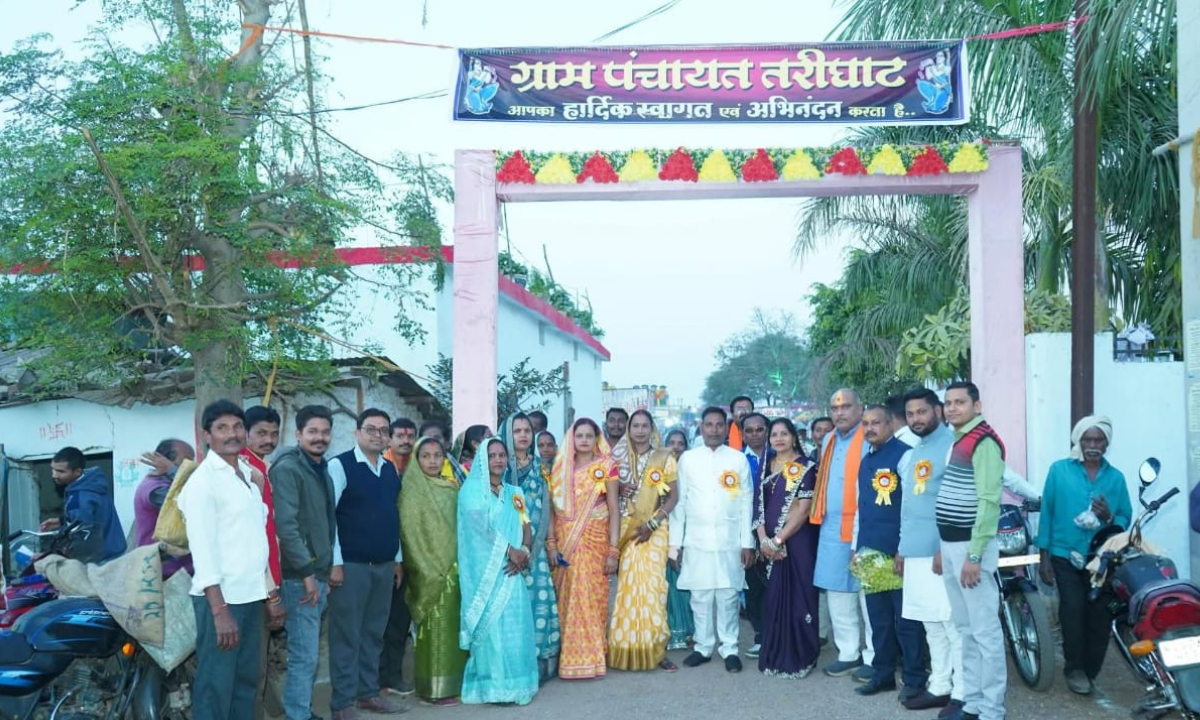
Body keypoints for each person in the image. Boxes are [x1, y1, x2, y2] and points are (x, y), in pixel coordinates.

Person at [178, 400, 283, 720]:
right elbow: (203, 550)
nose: (232, 434)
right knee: (215, 686)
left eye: (237, 426)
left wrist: (270, 594)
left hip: (251, 596)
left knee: (245, 683)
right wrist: (219, 611)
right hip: (221, 601)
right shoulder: (202, 482)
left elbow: (257, 541)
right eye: (221, 428)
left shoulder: (250, 479)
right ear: (206, 435)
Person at [1036, 415, 1131, 695]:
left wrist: (1109, 517)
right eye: (1087, 439)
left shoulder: (1115, 478)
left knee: (1100, 616)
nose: (1093, 445)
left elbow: (1125, 515)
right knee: (1073, 611)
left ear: (1106, 443)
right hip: (1065, 555)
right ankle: (1074, 668)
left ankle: (1090, 669)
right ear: (1078, 441)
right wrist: (1044, 557)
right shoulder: (1059, 471)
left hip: (1102, 559)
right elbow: (1048, 513)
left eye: (1098, 439)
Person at [326, 409, 405, 718]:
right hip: (351, 566)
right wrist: (334, 563)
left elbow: (392, 518)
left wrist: (397, 559)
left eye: (383, 430)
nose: (377, 434)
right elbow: (327, 518)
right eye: (370, 429)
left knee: (374, 632)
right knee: (347, 634)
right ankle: (342, 703)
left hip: (384, 565)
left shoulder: (389, 470)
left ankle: (368, 693)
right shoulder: (340, 466)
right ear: (356, 433)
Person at [936, 381, 1007, 720]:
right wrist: (942, 548)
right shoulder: (959, 440)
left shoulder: (985, 442)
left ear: (976, 406)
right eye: (948, 402)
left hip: (970, 549)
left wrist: (974, 556)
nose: (952, 408)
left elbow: (989, 501)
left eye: (960, 402)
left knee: (985, 632)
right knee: (965, 630)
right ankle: (974, 703)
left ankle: (993, 710)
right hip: (950, 545)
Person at [670, 407, 755, 674]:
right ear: (702, 427)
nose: (715, 429)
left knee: (728, 595)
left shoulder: (738, 459)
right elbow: (679, 504)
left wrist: (747, 543)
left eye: (720, 425)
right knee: (701, 596)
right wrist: (675, 545)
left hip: (729, 540)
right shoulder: (688, 459)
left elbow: (746, 502)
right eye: (709, 425)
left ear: (727, 428)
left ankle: (729, 648)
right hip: (696, 539)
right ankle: (703, 647)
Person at [853, 405, 928, 699]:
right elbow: (863, 507)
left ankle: (914, 680)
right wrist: (855, 548)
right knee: (879, 620)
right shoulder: (866, 458)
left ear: (890, 424)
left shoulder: (905, 454)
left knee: (906, 620)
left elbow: (913, 506)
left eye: (876, 423)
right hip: (870, 552)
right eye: (866, 424)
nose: (870, 428)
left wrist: (904, 549)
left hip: (897, 552)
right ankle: (883, 674)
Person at [457, 438, 539, 705]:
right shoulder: (472, 493)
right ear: (483, 459)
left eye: (502, 455)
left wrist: (525, 550)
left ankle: (516, 685)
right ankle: (493, 688)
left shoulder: (514, 492)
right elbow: (478, 532)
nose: (498, 460)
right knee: (493, 631)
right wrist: (509, 551)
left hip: (513, 572)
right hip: (487, 573)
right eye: (492, 455)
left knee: (514, 628)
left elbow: (525, 523)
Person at [897, 388, 963, 717]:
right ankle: (940, 686)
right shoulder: (914, 451)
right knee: (931, 624)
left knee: (952, 623)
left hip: (941, 551)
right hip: (915, 553)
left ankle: (964, 694)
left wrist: (943, 547)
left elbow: (957, 500)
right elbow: (910, 505)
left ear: (937, 410)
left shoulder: (952, 447)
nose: (916, 419)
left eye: (922, 412)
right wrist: (901, 549)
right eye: (910, 414)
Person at [270, 405, 336, 720]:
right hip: (299, 576)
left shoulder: (319, 468)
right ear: (298, 434)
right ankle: (298, 714)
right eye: (312, 431)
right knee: (304, 654)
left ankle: (301, 711)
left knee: (307, 653)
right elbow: (287, 526)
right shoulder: (288, 469)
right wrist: (309, 573)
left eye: (324, 432)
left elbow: (324, 523)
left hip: (316, 572)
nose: (319, 437)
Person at [548, 418, 620, 680]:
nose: (585, 440)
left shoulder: (607, 466)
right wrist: (551, 543)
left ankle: (592, 657)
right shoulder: (559, 468)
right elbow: (552, 511)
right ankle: (569, 658)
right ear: (572, 438)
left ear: (597, 438)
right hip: (565, 541)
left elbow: (613, 509)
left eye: (590, 435)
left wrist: (613, 550)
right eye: (580, 435)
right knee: (568, 599)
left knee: (592, 598)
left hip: (595, 541)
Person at [609, 410, 680, 672]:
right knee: (628, 588)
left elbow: (673, 497)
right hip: (627, 528)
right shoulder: (615, 458)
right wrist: (620, 488)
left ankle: (657, 650)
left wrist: (653, 522)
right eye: (635, 425)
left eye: (644, 426)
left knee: (653, 589)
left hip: (655, 528)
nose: (639, 430)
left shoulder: (664, 458)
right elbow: (605, 492)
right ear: (628, 429)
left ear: (652, 429)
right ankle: (626, 647)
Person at [810, 389, 873, 680]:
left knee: (867, 592)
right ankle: (848, 653)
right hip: (832, 526)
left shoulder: (870, 437)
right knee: (836, 591)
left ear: (860, 409)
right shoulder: (829, 439)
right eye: (834, 408)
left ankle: (874, 656)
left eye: (846, 406)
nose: (840, 413)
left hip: (865, 525)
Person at [400, 437, 468, 705]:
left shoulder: (451, 488)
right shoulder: (410, 490)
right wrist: (426, 568)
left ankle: (454, 684)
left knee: (454, 629)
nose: (432, 461)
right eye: (425, 456)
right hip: (427, 571)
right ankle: (434, 690)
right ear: (417, 459)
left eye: (437, 455)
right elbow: (410, 533)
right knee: (434, 631)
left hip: (455, 569)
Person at [754, 418, 820, 678]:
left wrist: (778, 540)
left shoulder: (806, 467)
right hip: (769, 544)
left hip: (797, 541)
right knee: (775, 600)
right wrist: (763, 541)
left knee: (800, 596)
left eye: (784, 433)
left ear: (794, 437)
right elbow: (757, 505)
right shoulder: (766, 465)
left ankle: (803, 655)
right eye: (774, 434)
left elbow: (803, 510)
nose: (779, 439)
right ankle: (776, 654)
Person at [501, 414, 561, 683]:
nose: (523, 435)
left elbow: (547, 508)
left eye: (527, 430)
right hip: (510, 553)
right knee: (512, 608)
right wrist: (510, 549)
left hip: (535, 555)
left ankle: (539, 666)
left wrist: (549, 545)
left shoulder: (541, 467)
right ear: (507, 434)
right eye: (517, 431)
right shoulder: (501, 467)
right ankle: (513, 666)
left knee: (539, 606)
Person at [380, 419, 416, 698]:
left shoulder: (418, 468)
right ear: (389, 439)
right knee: (381, 622)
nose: (405, 440)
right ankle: (376, 678)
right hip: (386, 556)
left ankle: (392, 675)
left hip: (416, 557)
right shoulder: (383, 469)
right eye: (400, 436)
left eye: (410, 436)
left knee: (400, 622)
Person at [41, 447, 127, 563]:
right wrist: (61, 521)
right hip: (115, 548)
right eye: (53, 469)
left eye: (61, 471)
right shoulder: (92, 482)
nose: (54, 475)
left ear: (77, 471)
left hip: (100, 559)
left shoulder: (81, 498)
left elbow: (83, 535)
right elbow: (92, 516)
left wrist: (56, 555)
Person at [134, 438, 196, 577]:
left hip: (180, 570)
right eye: (186, 460)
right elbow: (192, 503)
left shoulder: (171, 484)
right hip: (163, 573)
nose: (190, 465)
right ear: (166, 460)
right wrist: (173, 470)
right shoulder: (156, 488)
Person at [241, 406, 283, 593]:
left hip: (269, 566)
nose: (269, 440)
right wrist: (269, 588)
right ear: (245, 433)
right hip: (253, 575)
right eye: (261, 433)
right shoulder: (244, 468)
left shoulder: (265, 466)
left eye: (274, 434)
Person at [661, 427, 695, 651]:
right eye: (671, 442)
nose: (675, 447)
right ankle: (673, 629)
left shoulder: (692, 470)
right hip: (664, 531)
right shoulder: (659, 470)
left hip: (690, 532)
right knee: (670, 583)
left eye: (680, 443)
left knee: (689, 580)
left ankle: (690, 630)